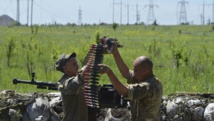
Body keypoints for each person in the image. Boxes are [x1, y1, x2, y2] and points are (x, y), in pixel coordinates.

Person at [99, 44, 163, 121]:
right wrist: (115, 53)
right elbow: (126, 73)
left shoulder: (149, 87)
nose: (134, 73)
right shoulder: (144, 78)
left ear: (145, 71)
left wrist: (109, 72)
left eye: (135, 70)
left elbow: (125, 91)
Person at [55, 52, 88, 121]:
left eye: (77, 63)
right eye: (74, 64)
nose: (78, 66)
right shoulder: (64, 82)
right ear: (65, 68)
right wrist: (85, 70)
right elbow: (74, 85)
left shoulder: (78, 77)